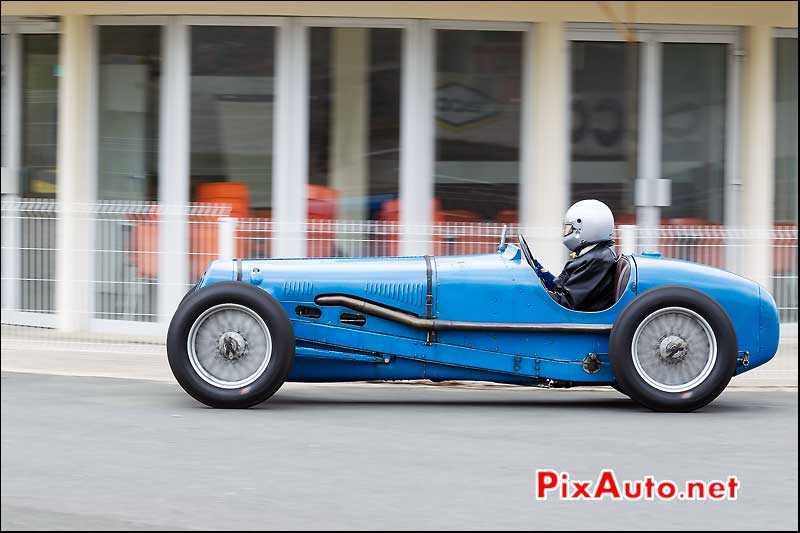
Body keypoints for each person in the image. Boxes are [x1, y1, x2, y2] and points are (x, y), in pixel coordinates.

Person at [532, 199, 617, 312]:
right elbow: (564, 288)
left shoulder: (597, 260)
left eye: (569, 228)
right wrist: (545, 275)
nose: (565, 233)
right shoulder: (593, 254)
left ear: (584, 229)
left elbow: (567, 302)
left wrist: (535, 293)